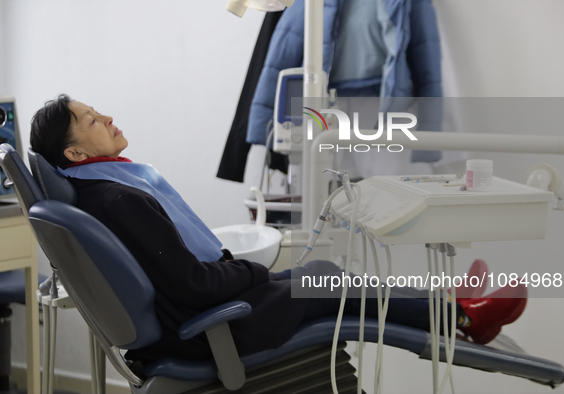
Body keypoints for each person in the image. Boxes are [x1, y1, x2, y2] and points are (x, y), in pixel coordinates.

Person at [29, 94, 527, 363]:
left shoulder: (100, 188)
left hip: (203, 315)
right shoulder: (118, 198)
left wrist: (249, 274)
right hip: (212, 330)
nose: (108, 116)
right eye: (93, 119)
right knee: (325, 283)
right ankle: (463, 318)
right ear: (75, 154)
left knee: (326, 271)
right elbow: (194, 284)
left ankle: (446, 303)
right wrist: (252, 273)